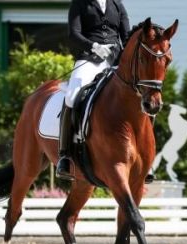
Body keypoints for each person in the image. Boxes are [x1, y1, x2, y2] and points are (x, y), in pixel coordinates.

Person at [56, 0, 130, 180]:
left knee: (138, 95)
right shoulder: (80, 3)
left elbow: (126, 36)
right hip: (89, 58)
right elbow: (74, 34)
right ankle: (65, 154)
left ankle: (145, 154)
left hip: (115, 60)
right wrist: (94, 46)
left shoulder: (117, 4)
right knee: (72, 96)